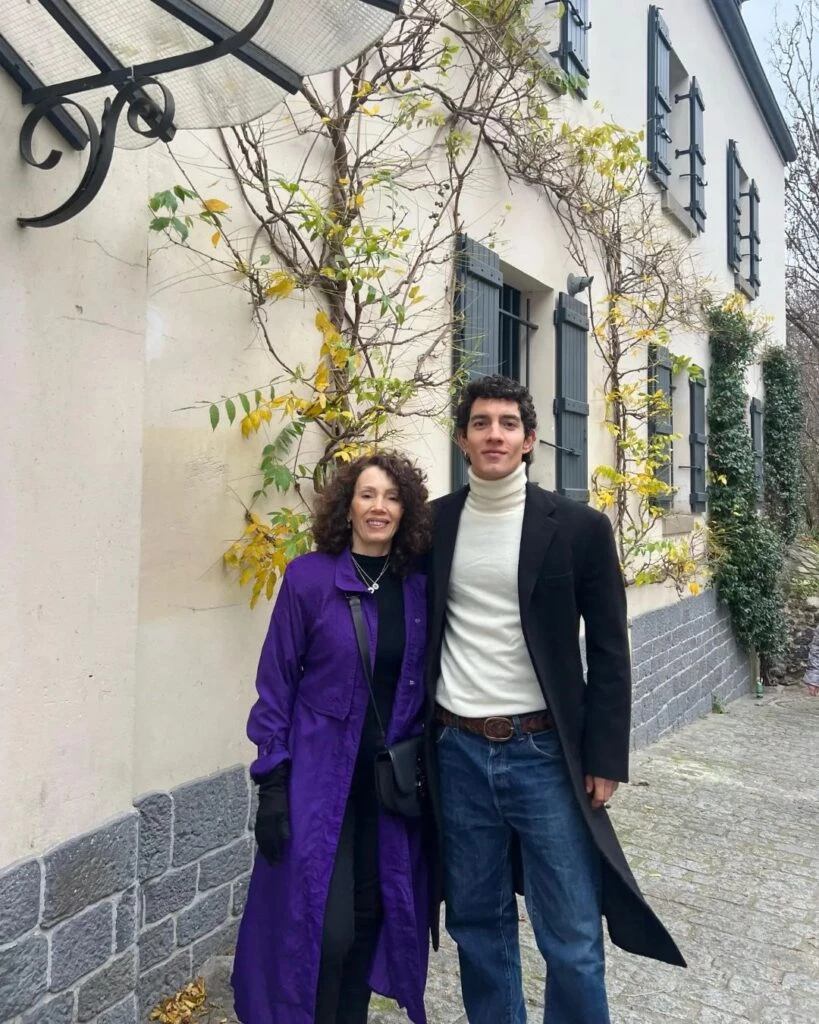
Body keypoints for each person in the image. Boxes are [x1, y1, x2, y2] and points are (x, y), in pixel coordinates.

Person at [424, 375, 686, 1024]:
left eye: (507, 423)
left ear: (529, 440)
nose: (494, 434)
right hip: (456, 751)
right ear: (462, 440)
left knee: (570, 934)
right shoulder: (433, 524)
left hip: (543, 753)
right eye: (480, 423)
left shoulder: (577, 528)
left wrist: (605, 756)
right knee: (475, 924)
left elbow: (610, 649)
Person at [232, 451, 434, 1024]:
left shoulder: (416, 587)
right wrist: (273, 782)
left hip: (387, 790)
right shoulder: (308, 579)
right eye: (367, 495)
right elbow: (276, 685)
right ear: (347, 507)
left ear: (405, 510)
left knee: (371, 921)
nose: (379, 507)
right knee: (326, 930)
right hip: (319, 784)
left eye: (392, 497)